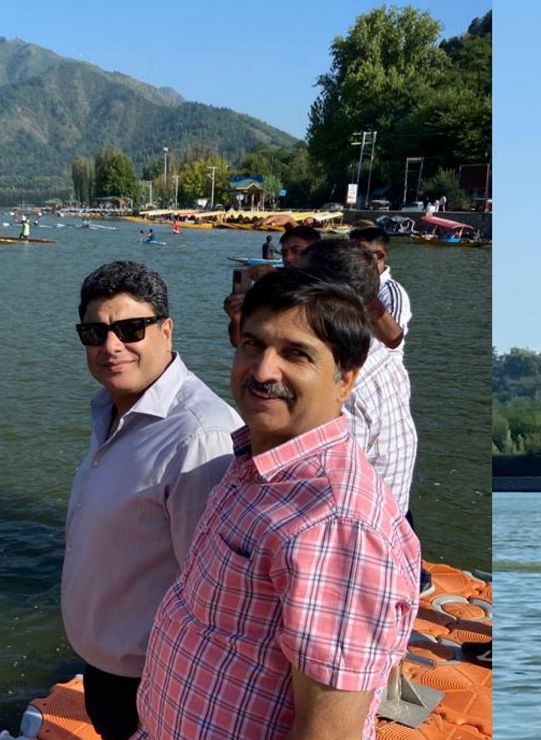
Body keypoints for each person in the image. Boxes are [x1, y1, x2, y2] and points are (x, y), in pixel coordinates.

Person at [138, 268, 419, 737]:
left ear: (345, 380)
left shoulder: (336, 524)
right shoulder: (257, 458)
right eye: (253, 344)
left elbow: (328, 732)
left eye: (296, 354)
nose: (263, 370)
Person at [62, 262, 238, 738]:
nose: (111, 346)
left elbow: (211, 595)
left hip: (155, 679)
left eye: (130, 329)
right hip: (108, 665)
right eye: (95, 332)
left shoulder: (198, 437)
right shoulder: (114, 410)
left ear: (165, 330)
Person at [293, 239, 418, 516]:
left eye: (298, 284)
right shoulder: (382, 358)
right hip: (395, 516)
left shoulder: (339, 387)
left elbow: (328, 491)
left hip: (355, 534)